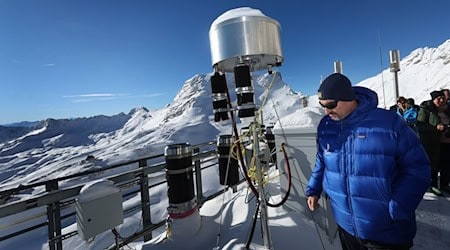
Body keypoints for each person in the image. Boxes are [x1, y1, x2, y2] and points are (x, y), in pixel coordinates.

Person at [306, 73, 430, 250]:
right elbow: (322, 160)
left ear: (348, 98)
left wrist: (398, 206)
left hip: (386, 231)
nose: (326, 111)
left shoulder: (389, 123)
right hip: (346, 227)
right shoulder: (326, 126)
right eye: (322, 106)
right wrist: (314, 189)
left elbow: (418, 167)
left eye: (331, 105)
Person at [417, 90, 448, 196]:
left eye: (442, 98)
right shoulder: (426, 109)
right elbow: (420, 126)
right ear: (433, 99)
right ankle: (433, 184)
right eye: (438, 98)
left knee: (446, 164)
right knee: (434, 163)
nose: (441, 100)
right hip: (432, 142)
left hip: (446, 141)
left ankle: (444, 184)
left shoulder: (447, 109)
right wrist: (436, 128)